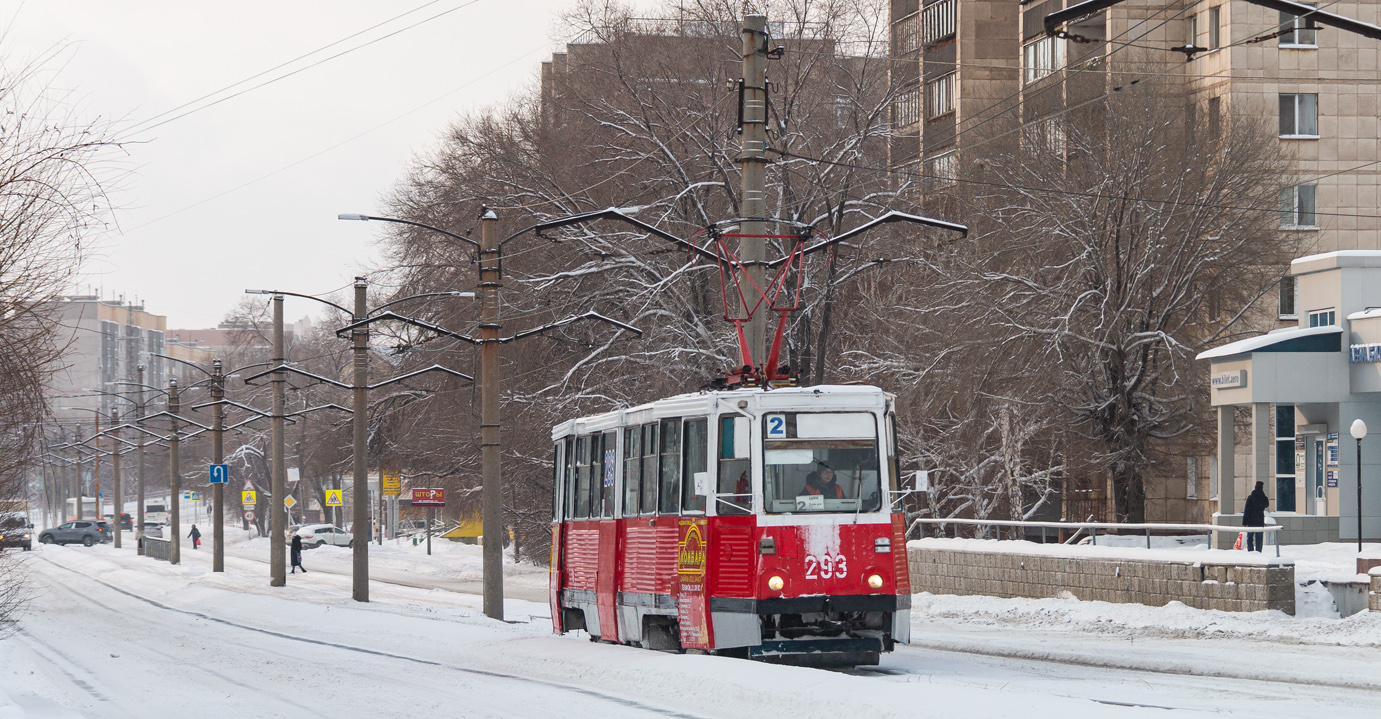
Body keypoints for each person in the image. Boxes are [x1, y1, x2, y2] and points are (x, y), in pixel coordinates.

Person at [1243, 480, 1270, 552]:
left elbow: (1247, 510)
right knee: (1259, 539)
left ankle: (1250, 551)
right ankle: (1258, 551)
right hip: (1259, 520)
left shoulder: (1250, 497)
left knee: (1250, 538)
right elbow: (1267, 504)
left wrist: (1244, 522)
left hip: (1251, 521)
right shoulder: (1263, 497)